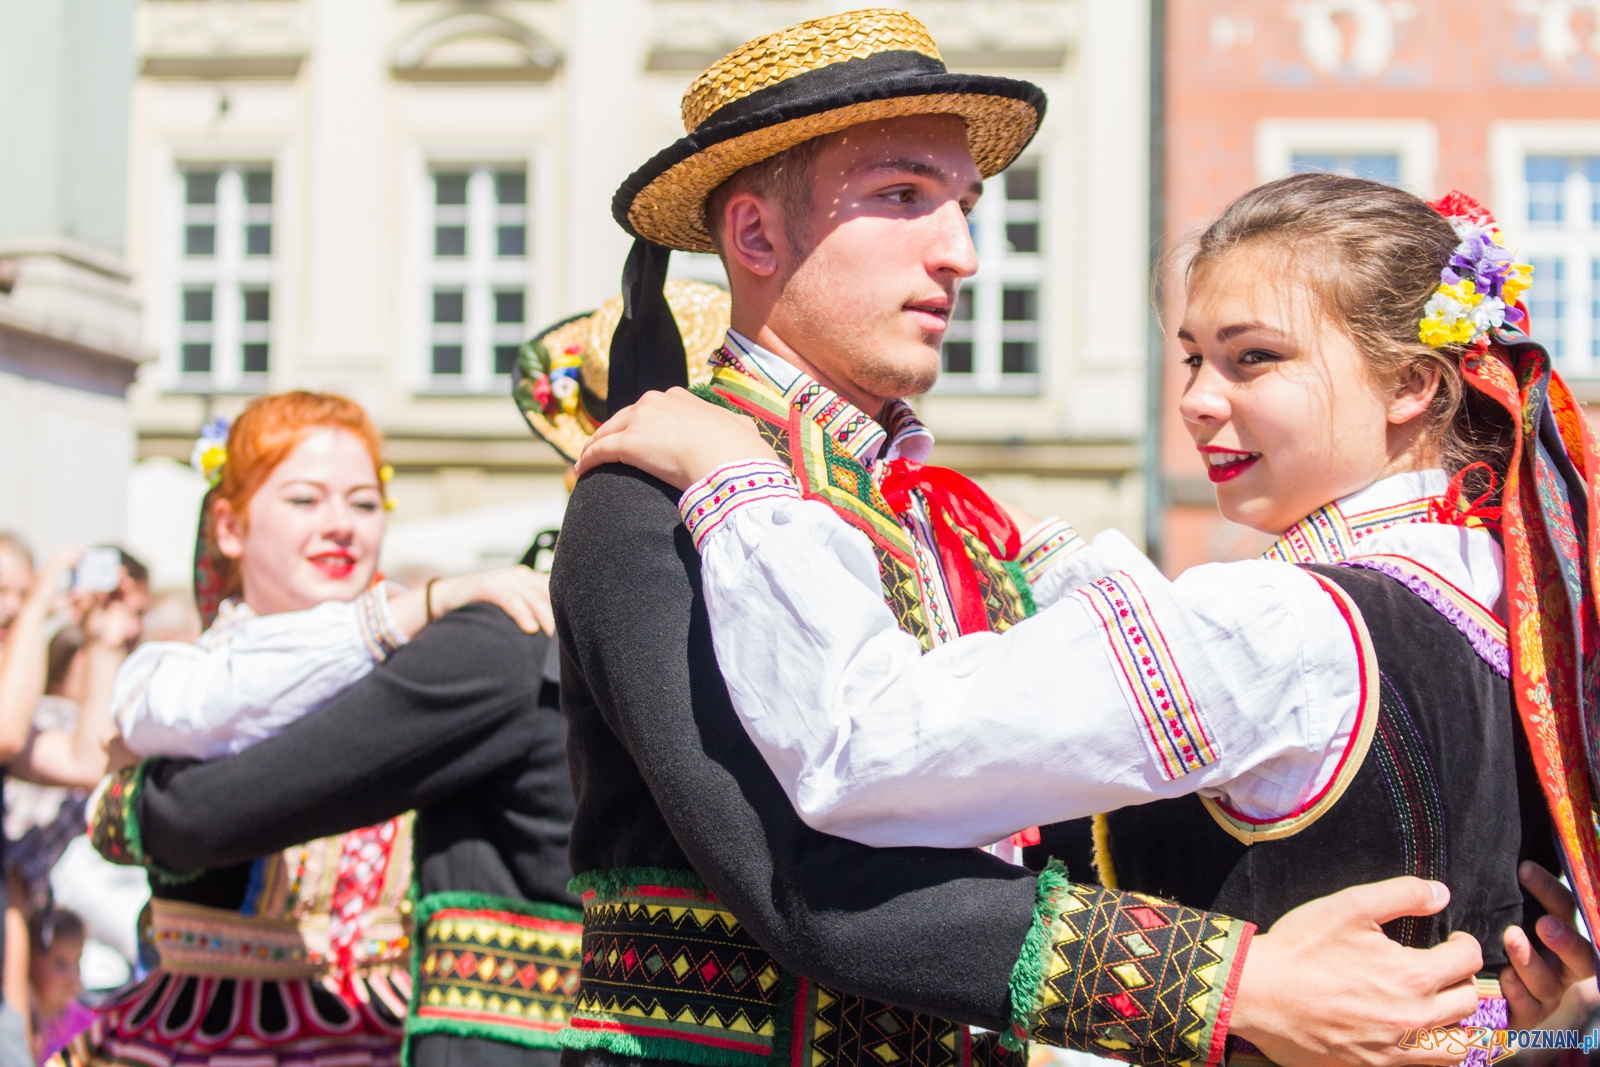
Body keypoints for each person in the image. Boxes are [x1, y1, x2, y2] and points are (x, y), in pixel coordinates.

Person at [547, 13, 1555, 1067]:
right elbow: (798, 874)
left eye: (966, 206)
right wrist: (1229, 979)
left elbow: (1077, 835)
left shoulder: (965, 533)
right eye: (902, 197)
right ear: (754, 237)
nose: (964, 253)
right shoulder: (659, 493)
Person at [65, 391, 557, 1067]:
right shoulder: (176, 672)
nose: (341, 526)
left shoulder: (429, 680)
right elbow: (215, 709)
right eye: (304, 500)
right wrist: (414, 608)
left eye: (362, 502)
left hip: (382, 1038)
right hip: (201, 1040)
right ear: (230, 526)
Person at [27, 908, 89, 1066]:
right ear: (28, 960)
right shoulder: (19, 1026)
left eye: (77, 962)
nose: (73, 975)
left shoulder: (89, 1026)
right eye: (61, 964)